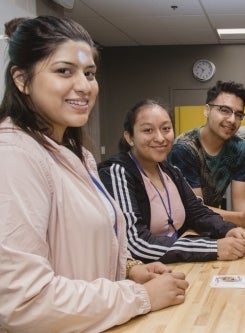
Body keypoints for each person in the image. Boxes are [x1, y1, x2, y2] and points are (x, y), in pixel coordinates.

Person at [0, 16, 188, 332]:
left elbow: (77, 246)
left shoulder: (78, 154)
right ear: (21, 79)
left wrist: (129, 269)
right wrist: (138, 296)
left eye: (89, 73)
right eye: (64, 71)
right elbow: (22, 302)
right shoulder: (14, 155)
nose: (84, 86)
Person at [98, 99, 245, 264]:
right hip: (145, 275)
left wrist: (227, 230)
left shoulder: (170, 170)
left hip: (178, 264)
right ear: (129, 137)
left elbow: (197, 212)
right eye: (148, 130)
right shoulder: (117, 173)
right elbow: (135, 243)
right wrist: (213, 247)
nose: (160, 138)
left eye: (166, 129)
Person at [168, 80, 245, 231]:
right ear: (207, 110)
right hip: (181, 229)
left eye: (238, 114)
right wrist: (241, 218)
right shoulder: (185, 148)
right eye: (224, 110)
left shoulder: (240, 148)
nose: (231, 120)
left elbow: (240, 201)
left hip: (213, 223)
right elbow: (196, 211)